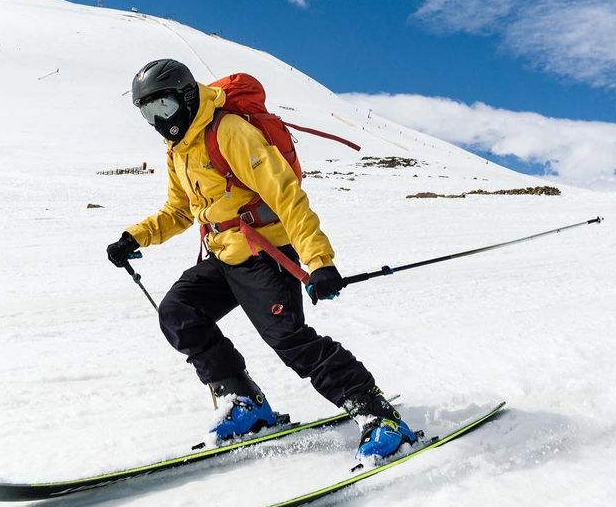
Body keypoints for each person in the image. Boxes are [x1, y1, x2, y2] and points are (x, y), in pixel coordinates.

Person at [106, 58, 417, 461]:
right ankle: (244, 402)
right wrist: (136, 236)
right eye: (147, 113)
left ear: (184, 97)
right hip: (224, 254)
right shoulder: (177, 149)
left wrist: (318, 260)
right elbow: (181, 210)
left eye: (162, 107)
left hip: (265, 251)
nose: (158, 120)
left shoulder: (230, 131)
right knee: (178, 312)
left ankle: (377, 415)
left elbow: (285, 194)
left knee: (289, 340)